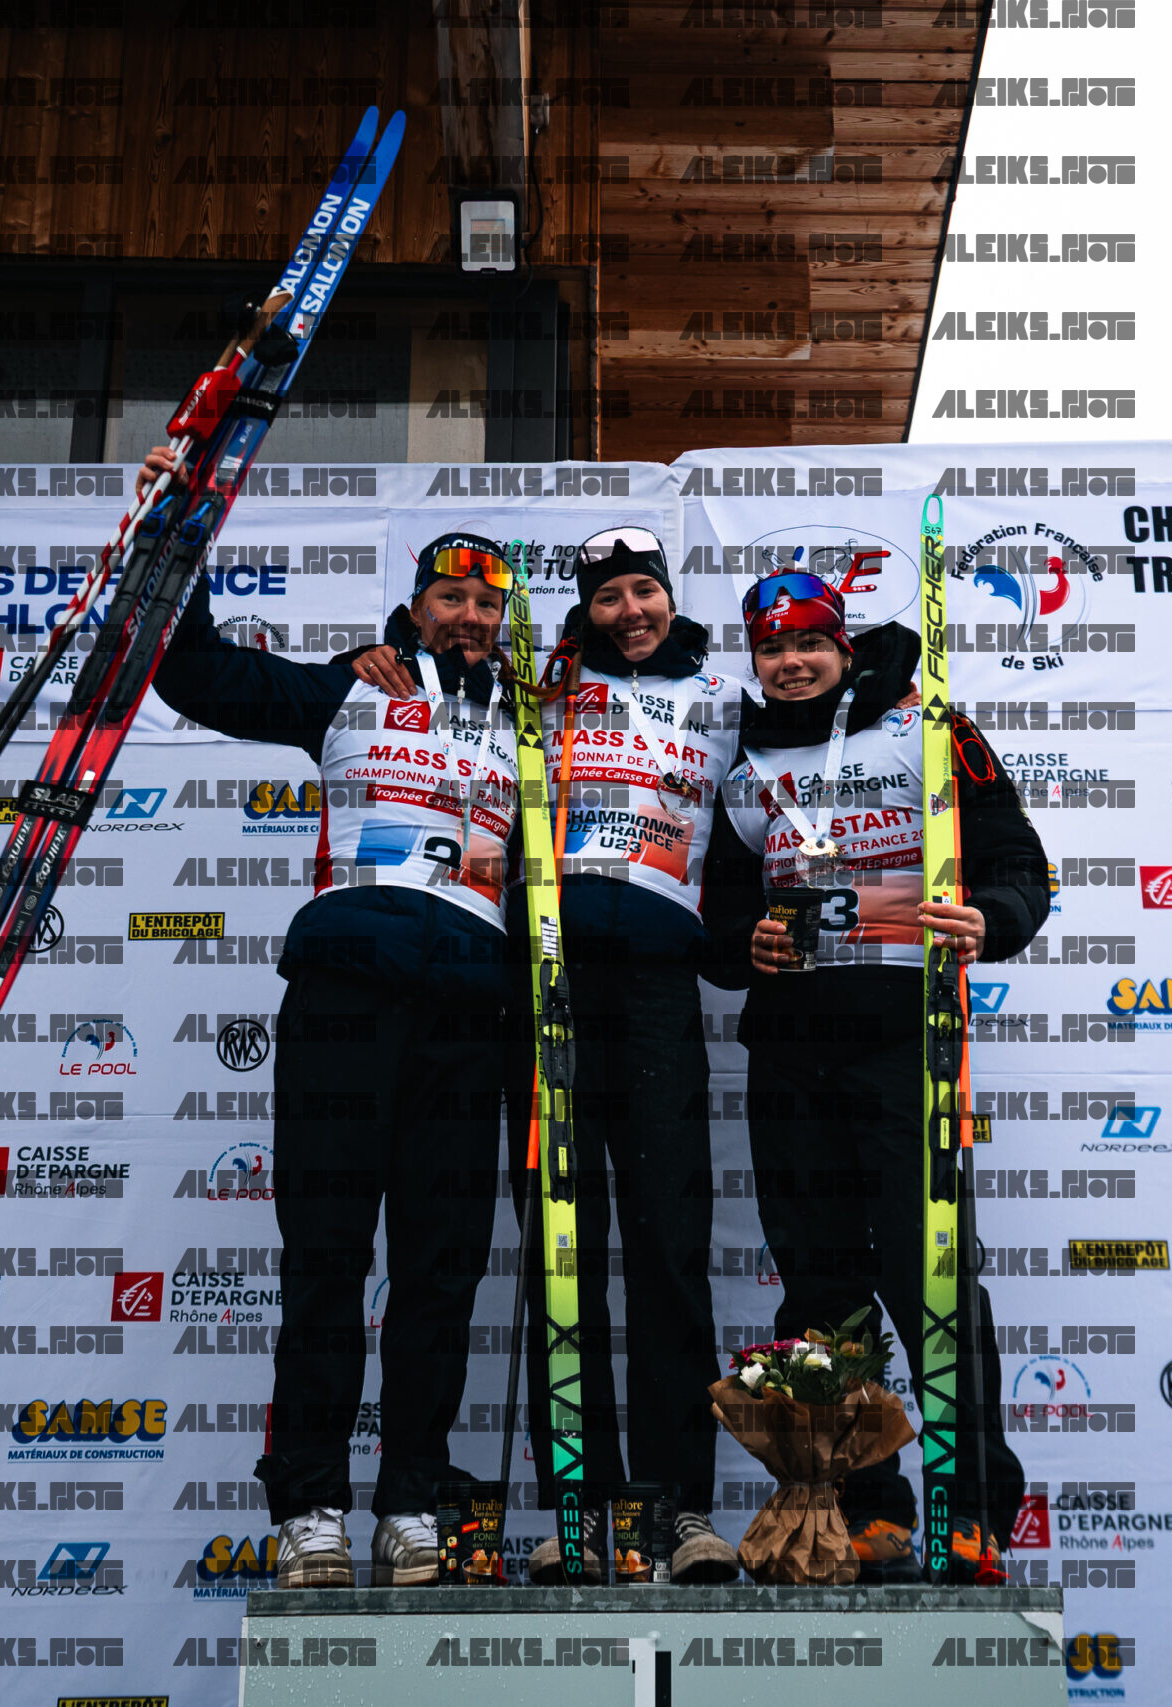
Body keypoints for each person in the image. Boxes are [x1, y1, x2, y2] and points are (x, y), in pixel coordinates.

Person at [141, 447, 519, 1590]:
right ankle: (309, 1505)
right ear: (414, 608)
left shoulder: (540, 721)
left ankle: (411, 1499)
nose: (469, 617)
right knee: (325, 1260)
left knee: (442, 1270)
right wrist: (180, 526)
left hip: (469, 1017)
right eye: (450, 597)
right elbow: (193, 672)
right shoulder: (351, 688)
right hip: (345, 999)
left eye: (488, 605)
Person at [347, 526, 741, 1584]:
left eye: (644, 591)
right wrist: (372, 653)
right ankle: (582, 1506)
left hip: (654, 999)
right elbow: (430, 684)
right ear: (586, 610)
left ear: (669, 599)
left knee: (667, 1255)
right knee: (560, 1252)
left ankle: (678, 1509)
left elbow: (798, 778)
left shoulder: (722, 700)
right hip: (543, 990)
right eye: (609, 596)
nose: (630, 611)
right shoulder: (537, 693)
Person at [702, 566, 1050, 1582]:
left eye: (809, 643)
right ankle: (865, 1510)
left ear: (843, 646)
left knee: (929, 1276)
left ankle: (972, 1509)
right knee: (819, 1291)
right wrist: (742, 943)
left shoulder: (930, 725)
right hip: (791, 1052)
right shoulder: (741, 757)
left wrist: (992, 917)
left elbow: (1017, 863)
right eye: (772, 649)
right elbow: (717, 913)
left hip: (905, 1040)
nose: (791, 663)